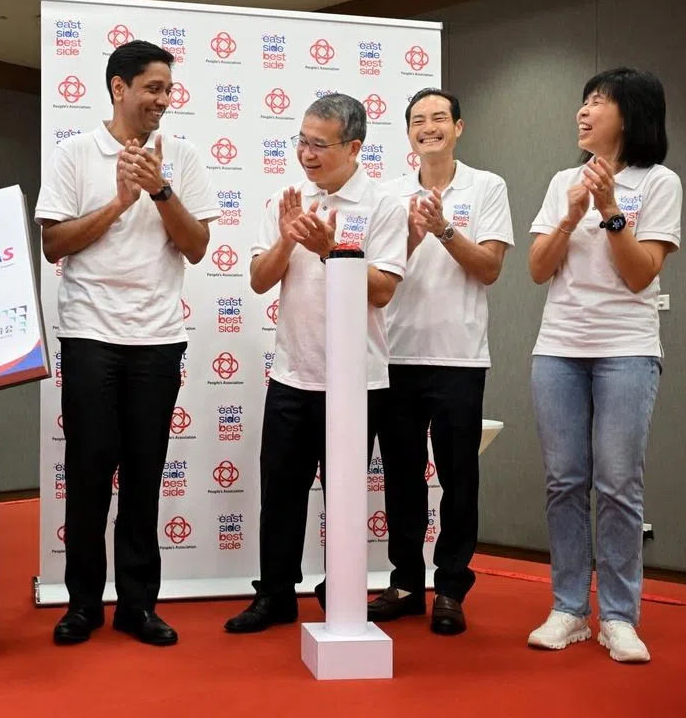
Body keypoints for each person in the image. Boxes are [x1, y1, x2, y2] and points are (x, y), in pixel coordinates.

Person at [34, 40, 220, 647]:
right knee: (88, 474)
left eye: (168, 90)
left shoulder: (183, 157)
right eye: (153, 88)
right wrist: (119, 201)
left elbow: (195, 247)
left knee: (144, 476)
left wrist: (161, 190)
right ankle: (82, 604)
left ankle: (138, 605)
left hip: (158, 338)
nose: (163, 101)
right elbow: (54, 245)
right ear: (119, 88)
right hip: (89, 333)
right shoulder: (75, 154)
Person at [223, 93, 407, 633]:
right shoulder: (289, 199)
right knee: (279, 494)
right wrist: (286, 240)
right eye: (301, 140)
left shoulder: (384, 206)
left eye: (319, 144)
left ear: (354, 147)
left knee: (345, 499)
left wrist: (334, 251)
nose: (305, 153)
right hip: (292, 375)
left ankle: (342, 592)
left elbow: (383, 291)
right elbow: (259, 280)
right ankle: (276, 594)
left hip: (356, 382)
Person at [526, 68, 681, 663]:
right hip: (559, 348)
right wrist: (571, 214)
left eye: (597, 101)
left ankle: (618, 616)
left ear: (630, 113)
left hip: (627, 349)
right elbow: (539, 269)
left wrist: (611, 210)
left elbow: (641, 274)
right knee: (564, 482)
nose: (583, 111)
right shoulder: (563, 179)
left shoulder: (660, 181)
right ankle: (568, 609)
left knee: (619, 485)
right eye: (583, 101)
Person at [372, 89, 514, 635]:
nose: (427, 127)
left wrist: (444, 230)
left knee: (460, 477)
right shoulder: (387, 193)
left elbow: (490, 268)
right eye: (417, 120)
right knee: (401, 477)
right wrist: (411, 232)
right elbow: (379, 270)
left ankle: (451, 587)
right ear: (407, 133)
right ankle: (406, 583)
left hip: (459, 356)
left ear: (459, 127)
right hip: (394, 355)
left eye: (438, 119)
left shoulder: (486, 186)